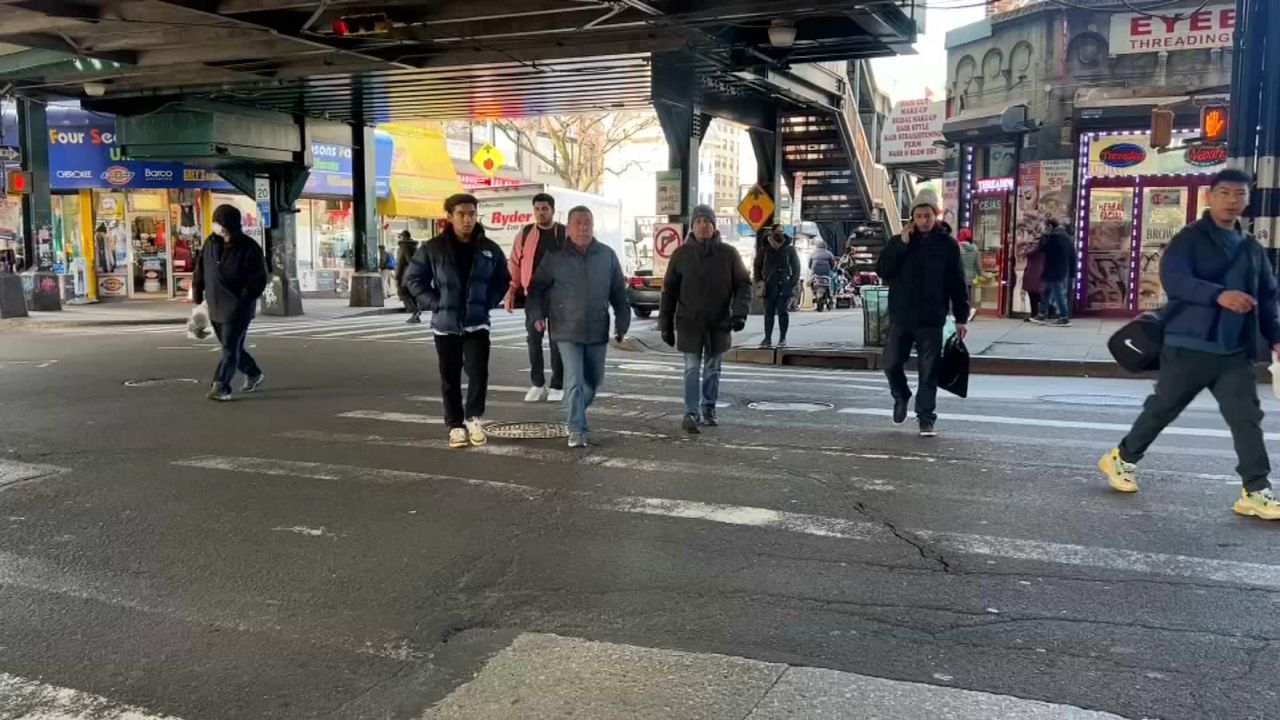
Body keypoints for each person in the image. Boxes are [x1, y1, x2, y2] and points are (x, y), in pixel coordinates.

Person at [1100, 169, 1280, 520]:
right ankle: (1121, 458)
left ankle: (1256, 491)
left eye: (1239, 194)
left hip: (1234, 352)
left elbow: (1268, 296)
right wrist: (1218, 295)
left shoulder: (1251, 248)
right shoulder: (1190, 239)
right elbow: (1175, 279)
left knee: (1247, 419)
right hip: (1188, 345)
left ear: (1247, 199)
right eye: (1225, 192)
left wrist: (1275, 337)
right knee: (1163, 409)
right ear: (1210, 197)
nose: (1232, 200)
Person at [405, 193, 511, 449]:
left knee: (478, 373)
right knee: (450, 377)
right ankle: (455, 426)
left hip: (477, 322)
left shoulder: (489, 248)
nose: (467, 219)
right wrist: (435, 303)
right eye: (461, 214)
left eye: (472, 214)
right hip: (446, 325)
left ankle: (473, 419)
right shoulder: (433, 248)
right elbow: (413, 279)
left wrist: (487, 301)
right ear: (449, 217)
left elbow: (502, 280)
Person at [527, 206, 630, 448]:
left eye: (587, 222)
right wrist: (537, 314)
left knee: (593, 381)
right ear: (568, 227)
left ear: (593, 226)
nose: (583, 227)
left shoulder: (607, 255)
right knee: (574, 379)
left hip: (597, 328)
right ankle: (576, 429)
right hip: (565, 329)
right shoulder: (555, 258)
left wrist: (622, 322)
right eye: (578, 223)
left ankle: (574, 411)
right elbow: (536, 289)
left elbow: (618, 293)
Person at [874, 189, 969, 437]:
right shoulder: (899, 241)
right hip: (902, 316)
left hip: (932, 317)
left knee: (929, 371)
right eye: (919, 216)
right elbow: (883, 270)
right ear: (912, 218)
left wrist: (961, 318)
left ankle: (926, 417)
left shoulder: (947, 245)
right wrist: (901, 245)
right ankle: (901, 394)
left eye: (928, 215)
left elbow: (957, 282)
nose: (924, 220)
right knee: (891, 363)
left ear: (935, 215)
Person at [659, 204, 752, 434]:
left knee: (712, 368)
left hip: (718, 323)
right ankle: (691, 413)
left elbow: (743, 284)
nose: (703, 226)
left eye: (707, 222)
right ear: (692, 226)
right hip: (689, 323)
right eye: (699, 221)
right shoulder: (681, 255)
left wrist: (739, 313)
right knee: (691, 368)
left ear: (714, 225)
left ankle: (708, 408)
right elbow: (669, 291)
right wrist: (665, 325)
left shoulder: (729, 254)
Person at [192, 204, 268, 402]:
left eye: (218, 222)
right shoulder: (210, 243)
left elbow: (258, 279)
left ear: (228, 225)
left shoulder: (249, 248)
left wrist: (243, 298)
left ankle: (221, 386)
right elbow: (200, 269)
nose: (215, 226)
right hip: (215, 305)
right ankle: (253, 372)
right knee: (232, 347)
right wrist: (197, 295)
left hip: (237, 308)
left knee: (229, 347)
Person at [505, 192, 567, 403]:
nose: (540, 213)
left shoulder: (564, 233)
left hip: (560, 295)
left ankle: (557, 385)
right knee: (533, 340)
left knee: (557, 341)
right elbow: (515, 263)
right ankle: (537, 383)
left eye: (544, 209)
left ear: (552, 210)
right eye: (537, 209)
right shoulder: (525, 234)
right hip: (533, 296)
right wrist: (511, 290)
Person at [755, 224, 800, 348]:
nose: (780, 233)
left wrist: (791, 283)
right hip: (769, 286)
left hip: (784, 285)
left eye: (782, 231)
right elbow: (757, 265)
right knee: (768, 314)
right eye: (778, 231)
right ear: (772, 232)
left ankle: (782, 338)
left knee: (782, 312)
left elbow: (796, 267)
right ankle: (767, 338)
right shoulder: (765, 249)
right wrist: (759, 281)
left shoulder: (789, 249)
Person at [1035, 218, 1077, 327]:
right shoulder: (1066, 237)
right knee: (1046, 292)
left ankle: (1064, 317)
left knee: (1058, 294)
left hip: (1054, 270)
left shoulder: (1053, 238)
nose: (1045, 229)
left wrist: (1044, 237)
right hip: (1061, 269)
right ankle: (1042, 314)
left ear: (1050, 227)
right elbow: (1072, 255)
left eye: (1046, 227)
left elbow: (1043, 249)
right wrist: (1072, 271)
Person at [394, 230, 421, 324]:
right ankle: (416, 312)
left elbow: (400, 264)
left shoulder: (403, 247)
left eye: (400, 236)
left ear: (403, 237)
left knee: (402, 292)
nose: (399, 238)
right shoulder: (415, 247)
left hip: (407, 275)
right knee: (412, 294)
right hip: (417, 273)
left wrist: (397, 276)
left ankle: (415, 312)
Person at [1020, 233, 1045, 321]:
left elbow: (1027, 253)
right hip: (1038, 272)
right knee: (1036, 295)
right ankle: (1037, 313)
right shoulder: (1043, 246)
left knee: (1033, 295)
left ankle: (1035, 314)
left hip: (1033, 273)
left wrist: (1027, 246)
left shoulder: (1036, 246)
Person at [957, 228, 981, 320]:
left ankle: (963, 313)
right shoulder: (975, 248)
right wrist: (980, 274)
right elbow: (977, 264)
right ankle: (971, 310)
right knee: (970, 295)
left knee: (961, 295)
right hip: (971, 276)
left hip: (960, 275)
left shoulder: (958, 247)